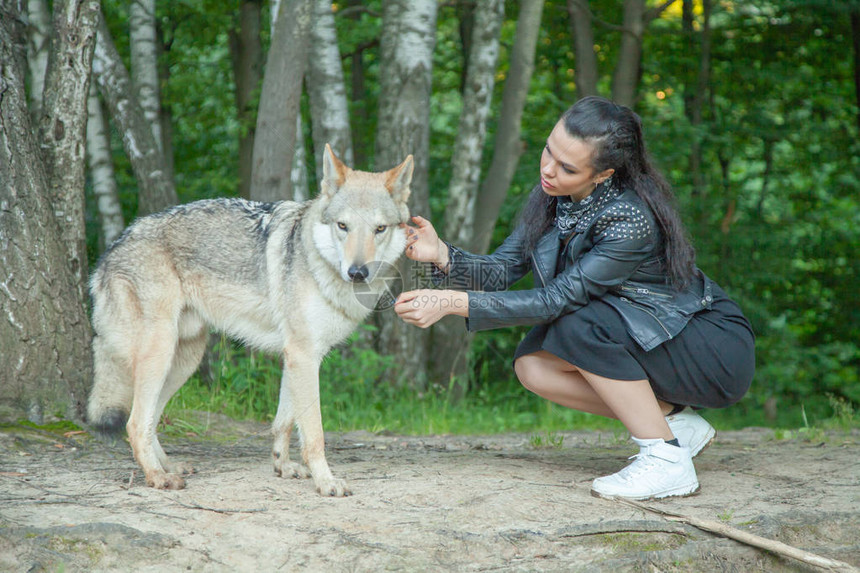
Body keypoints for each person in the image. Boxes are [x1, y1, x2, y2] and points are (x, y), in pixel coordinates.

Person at [393, 96, 755, 501]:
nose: (548, 169)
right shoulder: (555, 195)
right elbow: (501, 271)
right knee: (534, 365)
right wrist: (442, 253)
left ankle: (666, 462)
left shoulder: (629, 218)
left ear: (603, 174)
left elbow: (557, 300)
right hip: (653, 339)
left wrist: (450, 303)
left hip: (709, 347)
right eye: (549, 150)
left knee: (577, 322)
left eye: (567, 167)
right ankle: (675, 425)